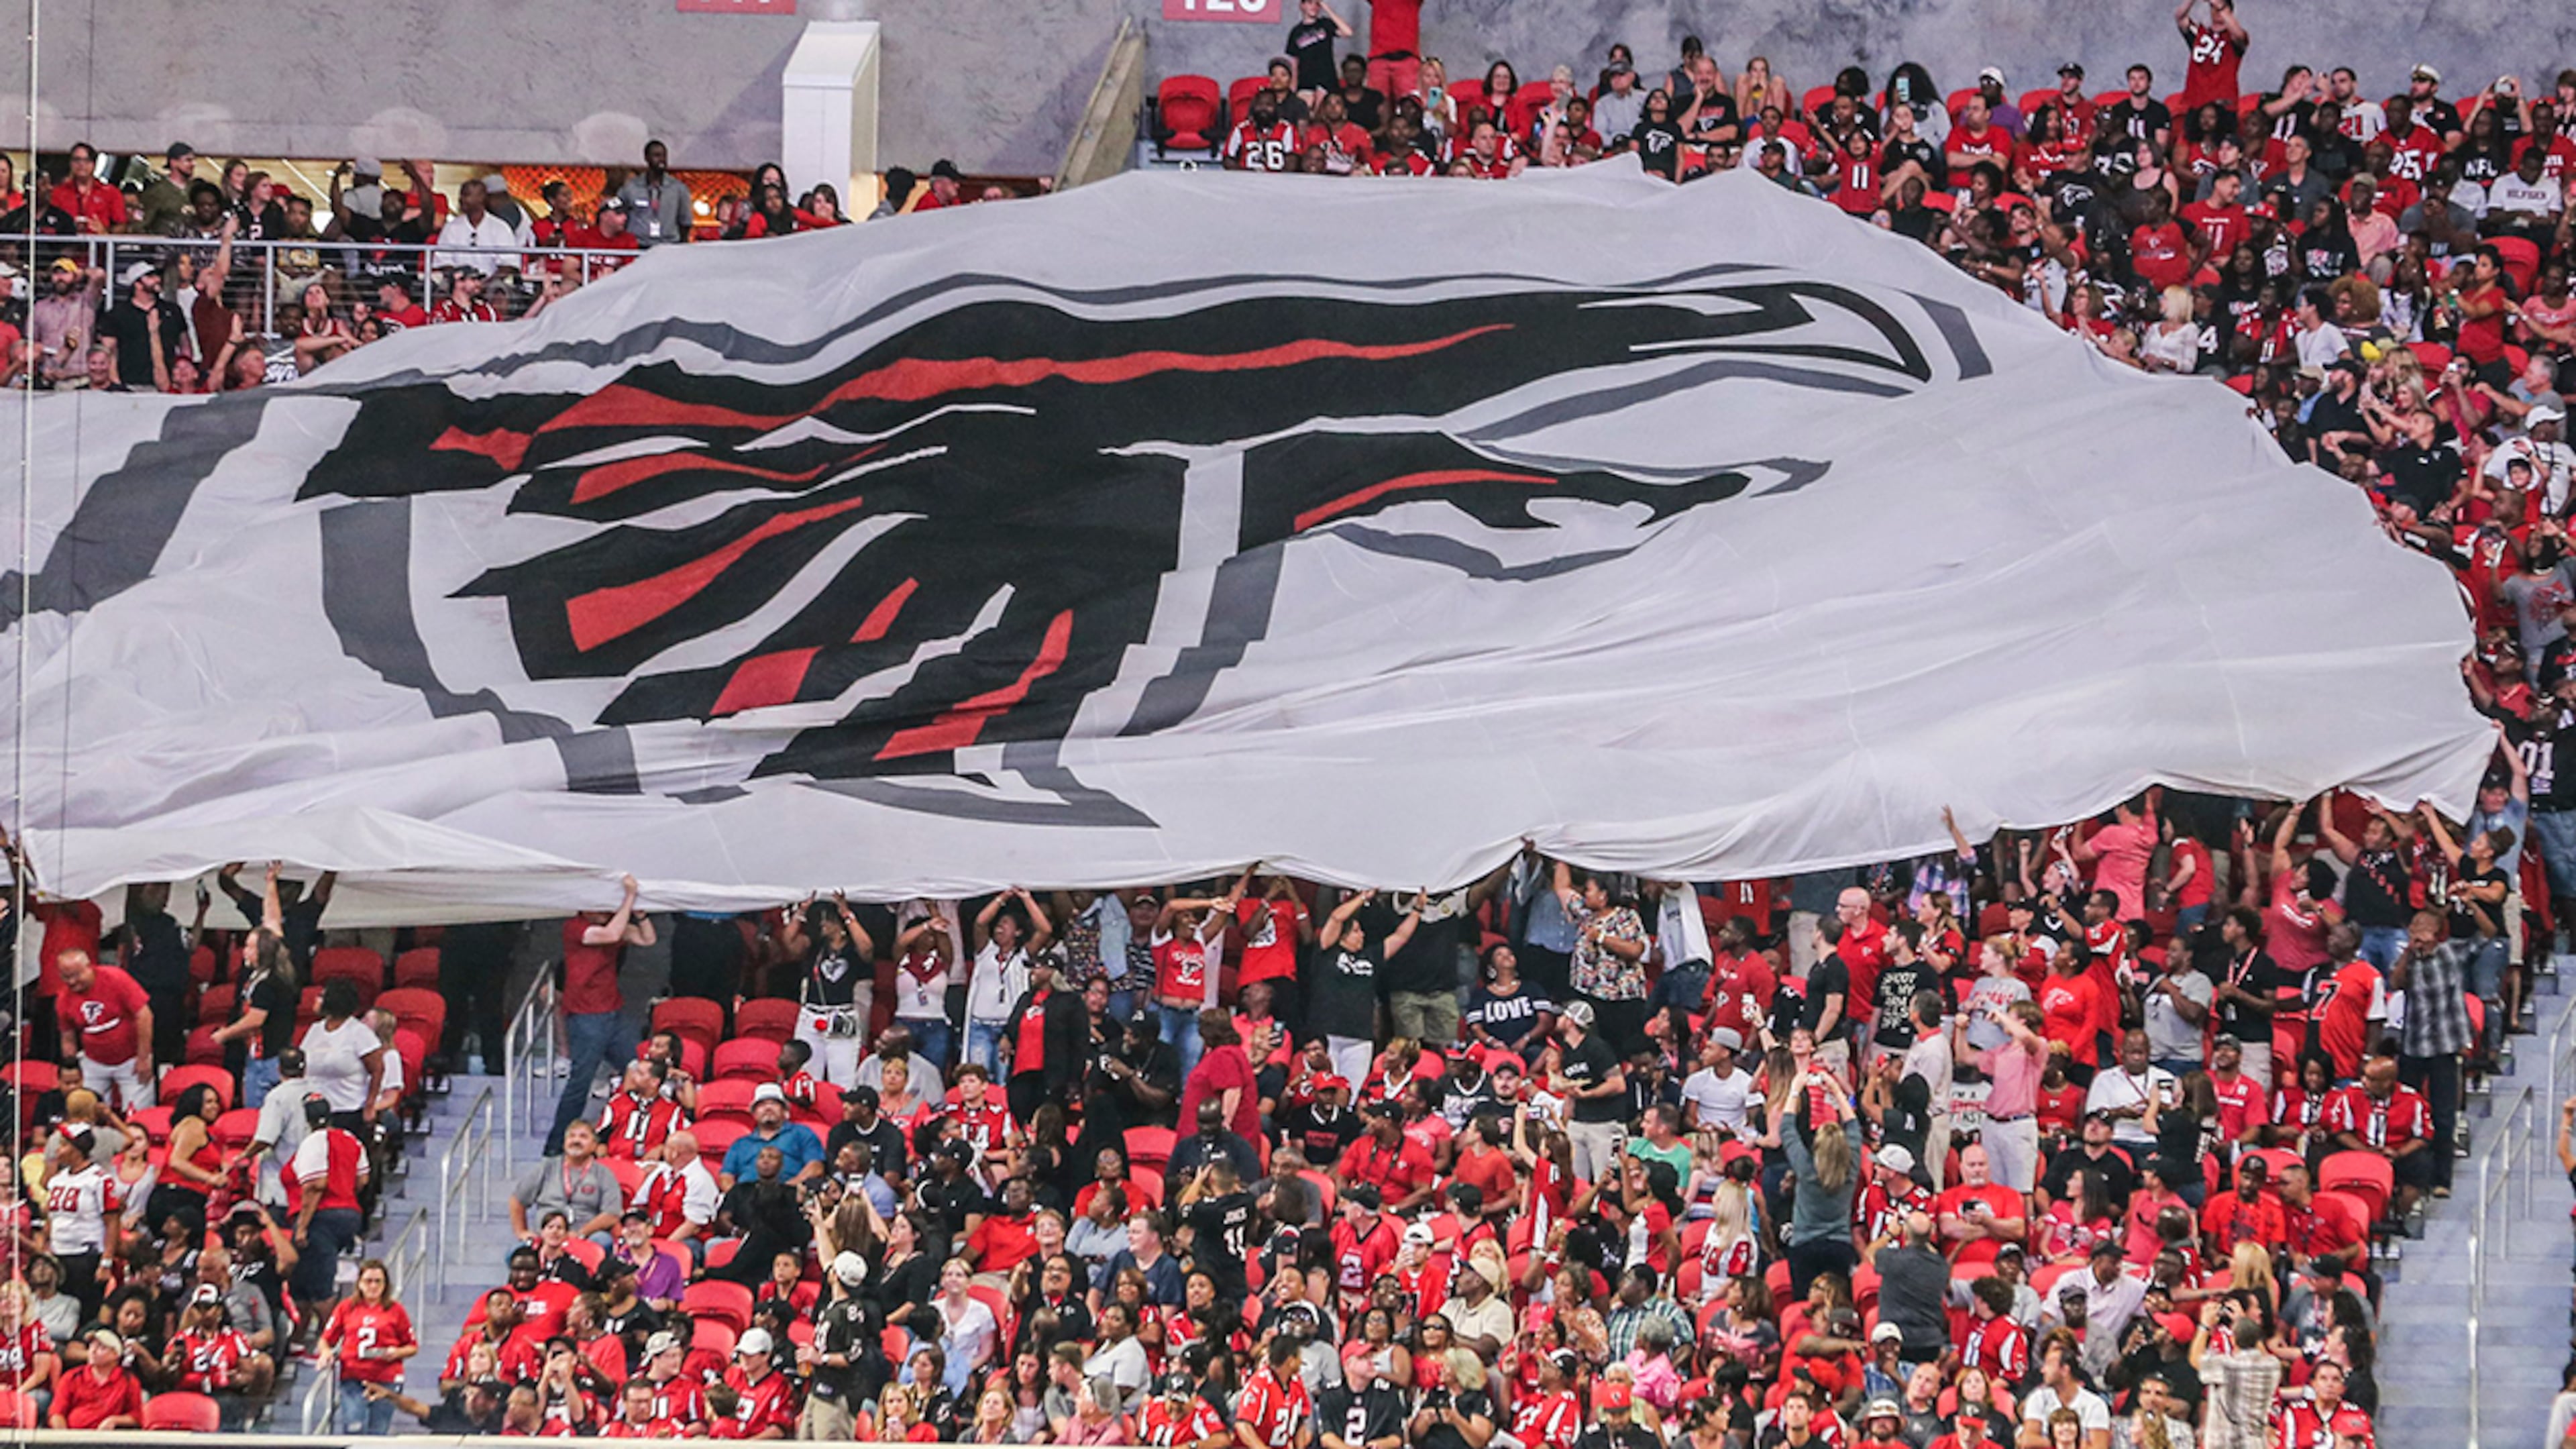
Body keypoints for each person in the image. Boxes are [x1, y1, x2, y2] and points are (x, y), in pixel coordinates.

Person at [549, 873, 655, 1156]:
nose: (600, 911)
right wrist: (630, 898)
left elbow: (648, 939)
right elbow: (609, 935)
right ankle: (555, 1146)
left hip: (613, 1012)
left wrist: (641, 915)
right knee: (580, 1083)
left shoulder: (611, 925)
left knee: (639, 1069)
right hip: (586, 1016)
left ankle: (637, 1136)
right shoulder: (575, 927)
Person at [323, 1258, 418, 1434]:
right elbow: (326, 1339)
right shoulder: (346, 1307)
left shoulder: (396, 1310)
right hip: (353, 1376)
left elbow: (412, 1346)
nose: (373, 1286)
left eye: (378, 1281)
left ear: (385, 1285)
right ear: (359, 1283)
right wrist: (325, 1352)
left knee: (378, 1432)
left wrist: (396, 1352)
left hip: (386, 1378)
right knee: (353, 1427)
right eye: (368, 1281)